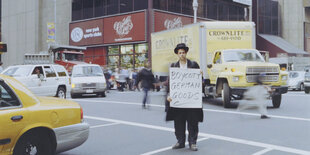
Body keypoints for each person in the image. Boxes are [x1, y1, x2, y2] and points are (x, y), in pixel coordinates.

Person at [166, 43, 203, 151]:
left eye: (183, 52)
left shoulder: (193, 64)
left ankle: (192, 143)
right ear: (177, 54)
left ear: (186, 53)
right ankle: (180, 141)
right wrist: (169, 95)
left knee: (193, 122)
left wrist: (201, 75)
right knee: (178, 122)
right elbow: (170, 83)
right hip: (178, 100)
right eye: (180, 53)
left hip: (191, 100)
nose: (182, 54)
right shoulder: (173, 66)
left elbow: (200, 81)